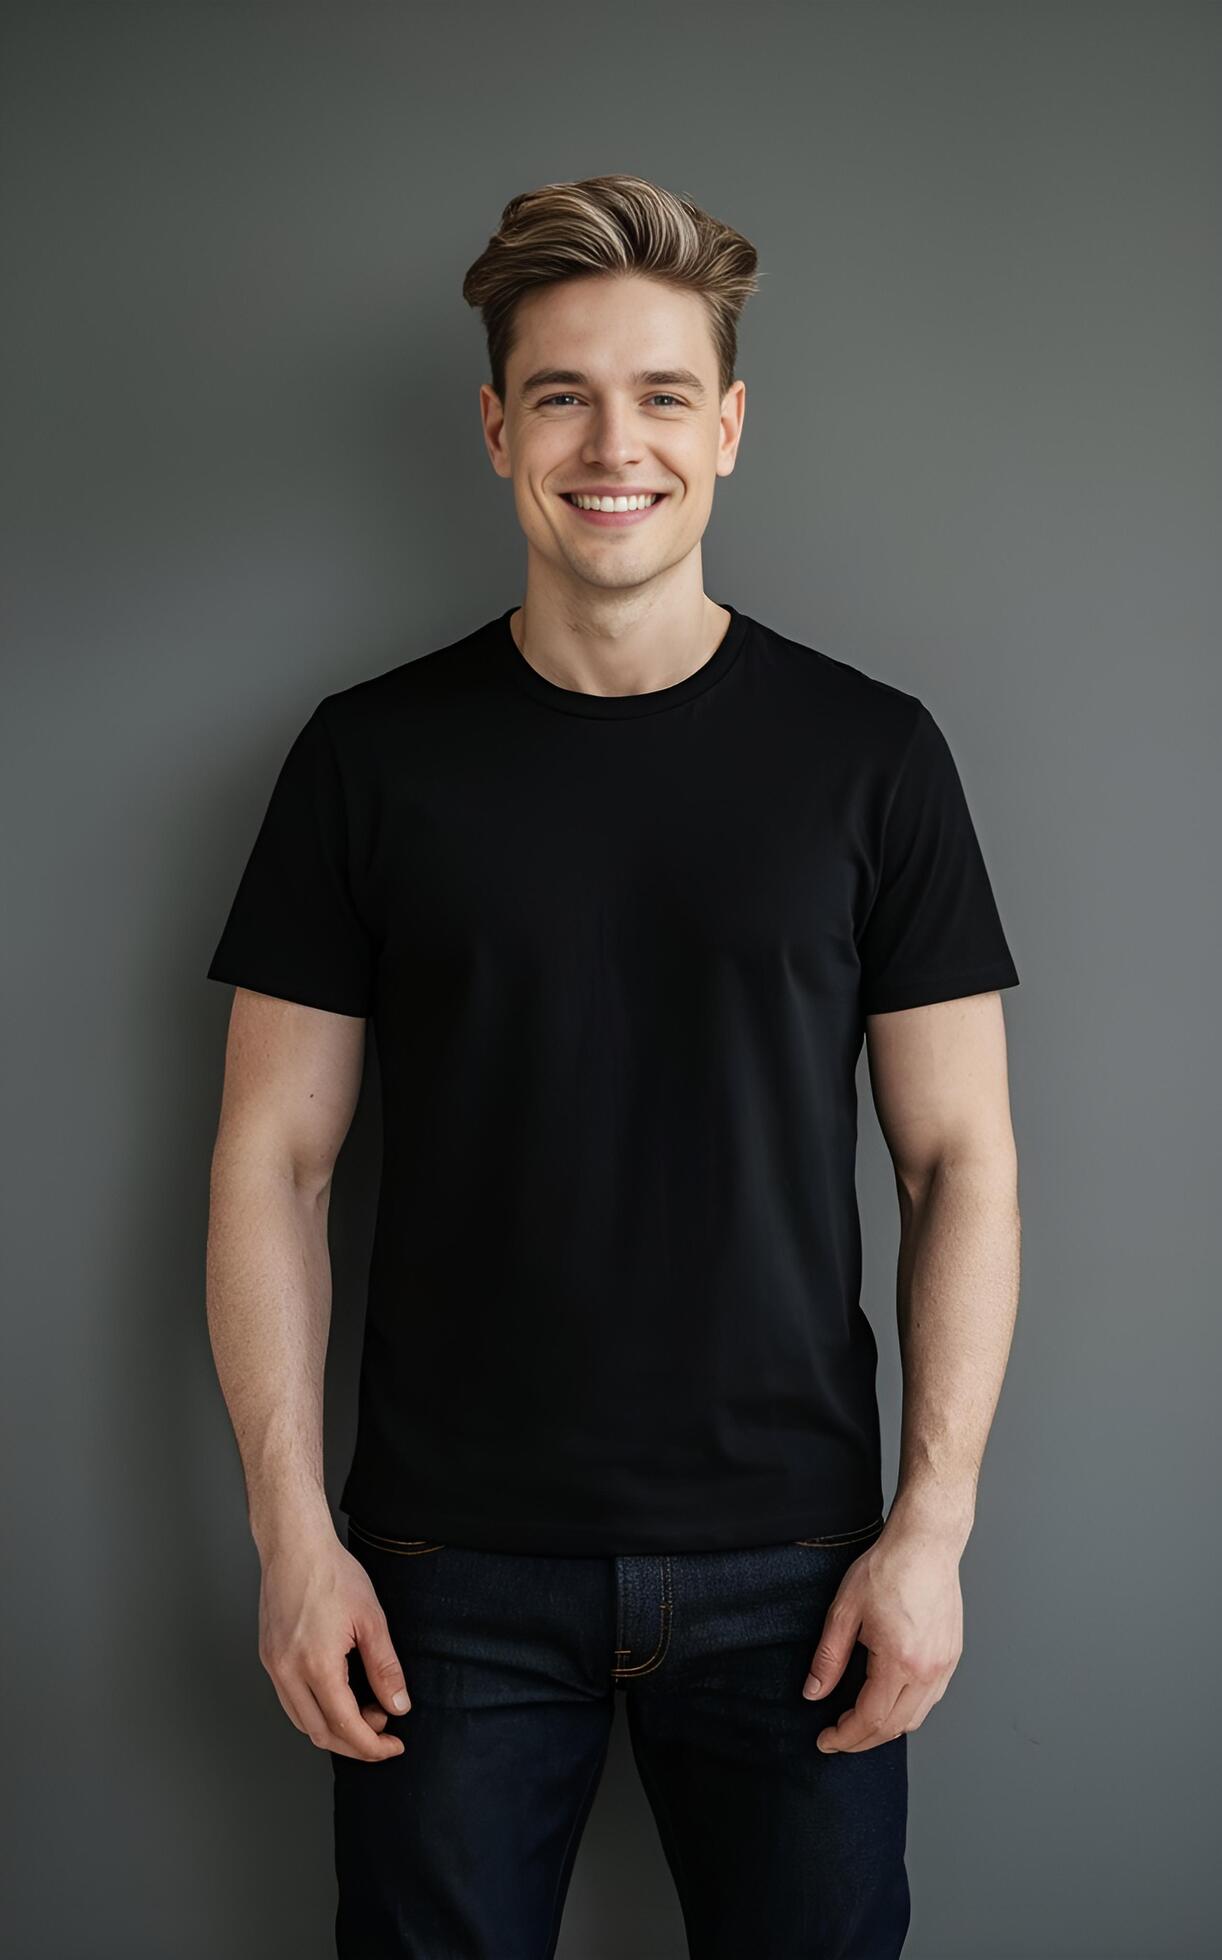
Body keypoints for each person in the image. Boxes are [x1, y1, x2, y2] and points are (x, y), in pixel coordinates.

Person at [204, 173, 1021, 1959]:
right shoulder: (369, 760)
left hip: (797, 1570)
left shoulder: (870, 758)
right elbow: (273, 1162)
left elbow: (958, 1163)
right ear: (497, 426)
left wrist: (928, 1533)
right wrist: (291, 1536)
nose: (611, 442)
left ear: (725, 427)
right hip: (439, 1576)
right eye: (562, 391)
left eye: (660, 393)